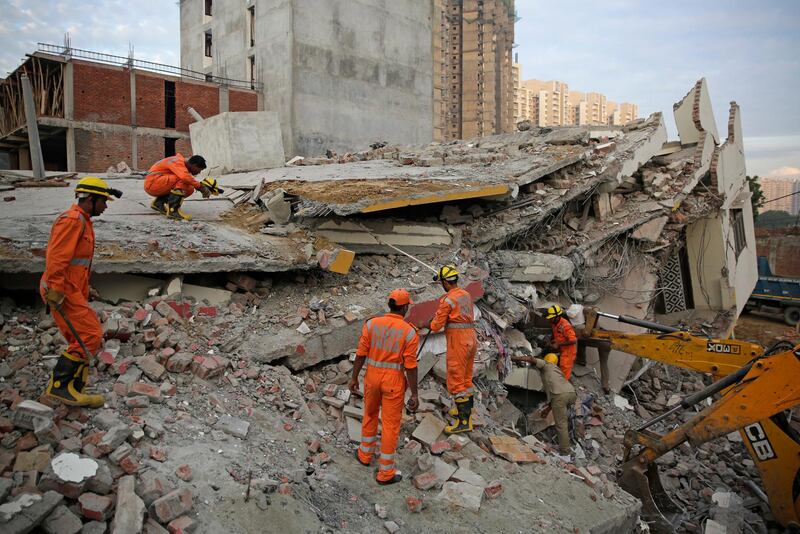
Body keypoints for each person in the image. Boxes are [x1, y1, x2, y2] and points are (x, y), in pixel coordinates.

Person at [40, 177, 122, 407]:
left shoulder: (84, 221)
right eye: (103, 201)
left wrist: (87, 289)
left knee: (82, 337)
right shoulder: (72, 220)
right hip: (62, 290)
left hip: (71, 288)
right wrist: (55, 290)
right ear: (90, 199)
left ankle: (73, 386)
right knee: (89, 336)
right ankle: (60, 389)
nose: (105, 207)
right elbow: (57, 259)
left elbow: (77, 264)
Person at [348, 289, 419, 485]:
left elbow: (361, 354)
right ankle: (385, 473)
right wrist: (414, 393)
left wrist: (354, 378)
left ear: (389, 305)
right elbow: (411, 366)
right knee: (390, 425)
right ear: (404, 307)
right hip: (393, 382)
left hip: (371, 377)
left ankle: (364, 455)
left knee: (369, 415)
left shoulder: (371, 324)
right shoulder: (409, 332)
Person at [429, 265, 477, 434]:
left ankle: (464, 422)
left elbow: (435, 326)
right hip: (471, 336)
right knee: (466, 377)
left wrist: (432, 320)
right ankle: (464, 409)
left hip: (458, 340)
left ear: (445, 282)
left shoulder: (447, 300)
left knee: (456, 379)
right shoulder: (466, 294)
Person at [511, 353, 577, 455]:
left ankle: (565, 453)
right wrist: (547, 410)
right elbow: (556, 392)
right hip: (571, 393)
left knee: (561, 424)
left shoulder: (547, 364)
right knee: (562, 421)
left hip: (560, 396)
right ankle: (566, 445)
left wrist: (513, 358)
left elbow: (531, 359)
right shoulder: (557, 370)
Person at [144, 154, 219, 221]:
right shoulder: (178, 162)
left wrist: (199, 186)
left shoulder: (180, 163)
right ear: (194, 165)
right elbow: (184, 177)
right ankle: (173, 211)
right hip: (152, 183)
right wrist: (201, 187)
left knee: (189, 188)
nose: (199, 172)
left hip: (155, 182)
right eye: (199, 170)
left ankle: (158, 203)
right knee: (183, 180)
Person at [545, 305, 577, 380]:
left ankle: (563, 385)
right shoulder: (554, 323)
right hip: (562, 348)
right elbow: (556, 334)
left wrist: (558, 344)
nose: (550, 320)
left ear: (557, 317)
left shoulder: (566, 326)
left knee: (564, 371)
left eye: (551, 318)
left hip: (568, 352)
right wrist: (551, 341)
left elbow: (573, 340)